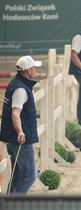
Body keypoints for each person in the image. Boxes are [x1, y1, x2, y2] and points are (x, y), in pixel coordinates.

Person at [0, 55, 42, 194]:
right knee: (29, 177)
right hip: (19, 139)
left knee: (17, 176)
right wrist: (20, 132)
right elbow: (15, 113)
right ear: (29, 71)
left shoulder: (15, 84)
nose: (35, 70)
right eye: (34, 68)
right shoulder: (21, 89)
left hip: (11, 138)